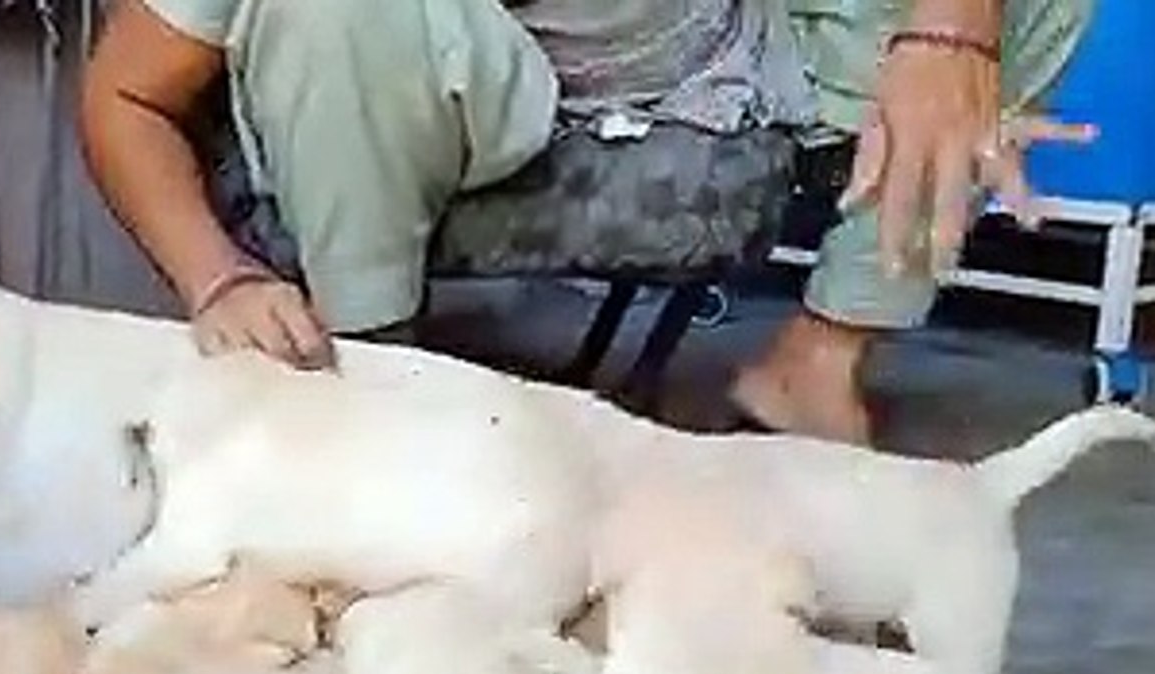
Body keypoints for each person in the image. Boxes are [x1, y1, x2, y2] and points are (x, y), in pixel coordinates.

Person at [78, 0, 1097, 445]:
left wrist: (949, 35)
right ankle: (374, 383)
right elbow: (124, 99)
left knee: (984, 11)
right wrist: (221, 277)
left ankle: (817, 368)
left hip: (710, 63)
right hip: (454, 88)